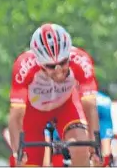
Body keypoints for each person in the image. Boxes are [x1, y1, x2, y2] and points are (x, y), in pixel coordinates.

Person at [7, 23, 100, 167]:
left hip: (66, 106)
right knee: (27, 163)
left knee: (81, 146)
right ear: (39, 62)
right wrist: (17, 150)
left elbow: (90, 106)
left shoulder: (81, 61)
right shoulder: (24, 66)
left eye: (63, 63)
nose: (58, 71)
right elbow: (16, 114)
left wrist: (95, 145)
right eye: (50, 66)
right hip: (33, 113)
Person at [46, 90, 115, 167]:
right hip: (67, 131)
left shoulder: (102, 101)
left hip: (72, 133)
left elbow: (106, 147)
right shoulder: (103, 100)